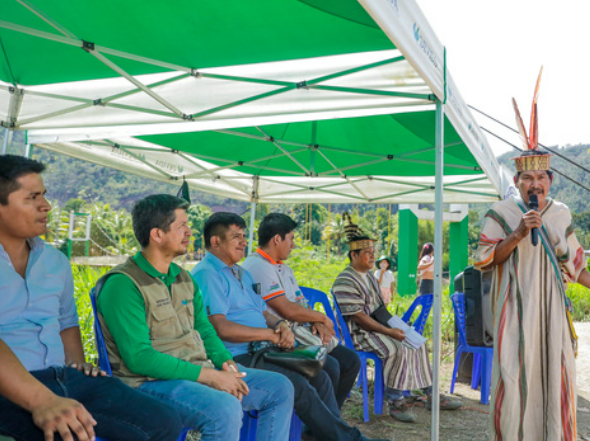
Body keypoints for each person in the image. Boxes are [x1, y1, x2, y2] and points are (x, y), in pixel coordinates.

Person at [473, 83, 590, 441]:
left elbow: (575, 266)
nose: (535, 184)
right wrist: (517, 234)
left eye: (541, 178)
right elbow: (485, 259)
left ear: (550, 180)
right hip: (513, 309)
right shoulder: (500, 213)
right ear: (517, 182)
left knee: (556, 375)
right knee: (513, 377)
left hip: (553, 311)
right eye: (527, 178)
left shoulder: (561, 213)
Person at [0, 155, 183, 441]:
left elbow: (66, 322)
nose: (45, 206)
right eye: (31, 198)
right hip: (11, 386)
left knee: (164, 421)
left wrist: (77, 363)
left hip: (64, 378)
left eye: (44, 196)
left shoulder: (54, 261)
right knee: (65, 434)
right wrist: (42, 401)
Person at [94, 195, 294, 441]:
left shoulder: (183, 278)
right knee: (224, 408)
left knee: (280, 388)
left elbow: (205, 329)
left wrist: (226, 364)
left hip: (198, 371)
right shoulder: (123, 285)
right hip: (148, 384)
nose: (190, 232)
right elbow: (139, 358)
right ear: (157, 234)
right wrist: (212, 377)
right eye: (182, 226)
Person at [193, 213, 384, 441]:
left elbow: (264, 312)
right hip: (237, 356)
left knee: (321, 374)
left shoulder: (240, 273)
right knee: (296, 384)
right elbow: (220, 328)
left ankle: (324, 435)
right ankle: (350, 439)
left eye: (244, 236)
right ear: (216, 242)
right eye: (237, 237)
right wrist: (272, 333)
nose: (244, 242)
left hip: (262, 347)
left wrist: (280, 325)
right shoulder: (208, 273)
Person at [331, 214, 461, 423]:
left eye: (373, 253)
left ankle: (431, 395)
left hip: (373, 329)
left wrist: (401, 327)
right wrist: (389, 332)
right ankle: (396, 402)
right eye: (367, 253)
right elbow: (360, 318)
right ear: (353, 255)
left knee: (417, 342)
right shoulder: (346, 279)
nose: (373, 257)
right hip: (358, 334)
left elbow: (380, 310)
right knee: (396, 348)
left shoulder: (371, 277)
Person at [242, 212, 361, 410]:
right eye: (291, 239)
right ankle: (322, 426)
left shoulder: (283, 268)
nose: (294, 245)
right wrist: (322, 317)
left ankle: (328, 421)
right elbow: (286, 309)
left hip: (302, 329)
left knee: (350, 361)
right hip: (281, 336)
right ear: (277, 239)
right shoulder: (257, 266)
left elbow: (300, 303)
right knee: (329, 365)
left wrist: (317, 322)